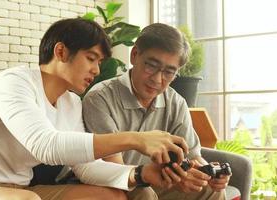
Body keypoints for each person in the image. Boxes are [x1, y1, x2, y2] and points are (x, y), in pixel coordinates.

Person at [0, 18, 189, 200]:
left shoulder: (71, 103)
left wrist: (139, 174)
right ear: (60, 52)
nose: (97, 71)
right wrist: (136, 139)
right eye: (91, 58)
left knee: (112, 197)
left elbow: (85, 168)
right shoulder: (13, 83)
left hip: (22, 188)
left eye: (99, 62)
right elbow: (45, 145)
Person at [82, 23, 231, 200]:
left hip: (156, 181)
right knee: (144, 192)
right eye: (151, 66)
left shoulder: (175, 102)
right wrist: (170, 179)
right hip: (117, 181)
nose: (157, 79)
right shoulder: (100, 98)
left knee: (211, 190)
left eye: (169, 72)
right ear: (135, 55)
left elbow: (193, 156)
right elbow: (114, 169)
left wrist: (209, 174)